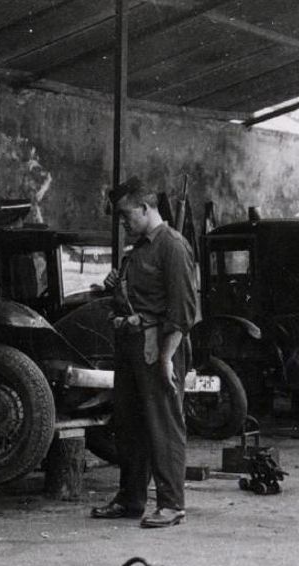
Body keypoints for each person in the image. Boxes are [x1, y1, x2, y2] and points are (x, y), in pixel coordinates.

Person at [90, 176, 198, 528]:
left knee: (163, 424)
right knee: (130, 425)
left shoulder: (173, 246)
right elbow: (136, 298)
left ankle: (171, 504)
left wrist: (167, 358)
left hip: (159, 347)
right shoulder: (137, 250)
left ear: (146, 208)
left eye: (126, 216)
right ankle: (131, 499)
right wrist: (114, 287)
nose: (123, 223)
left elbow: (182, 312)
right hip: (132, 345)